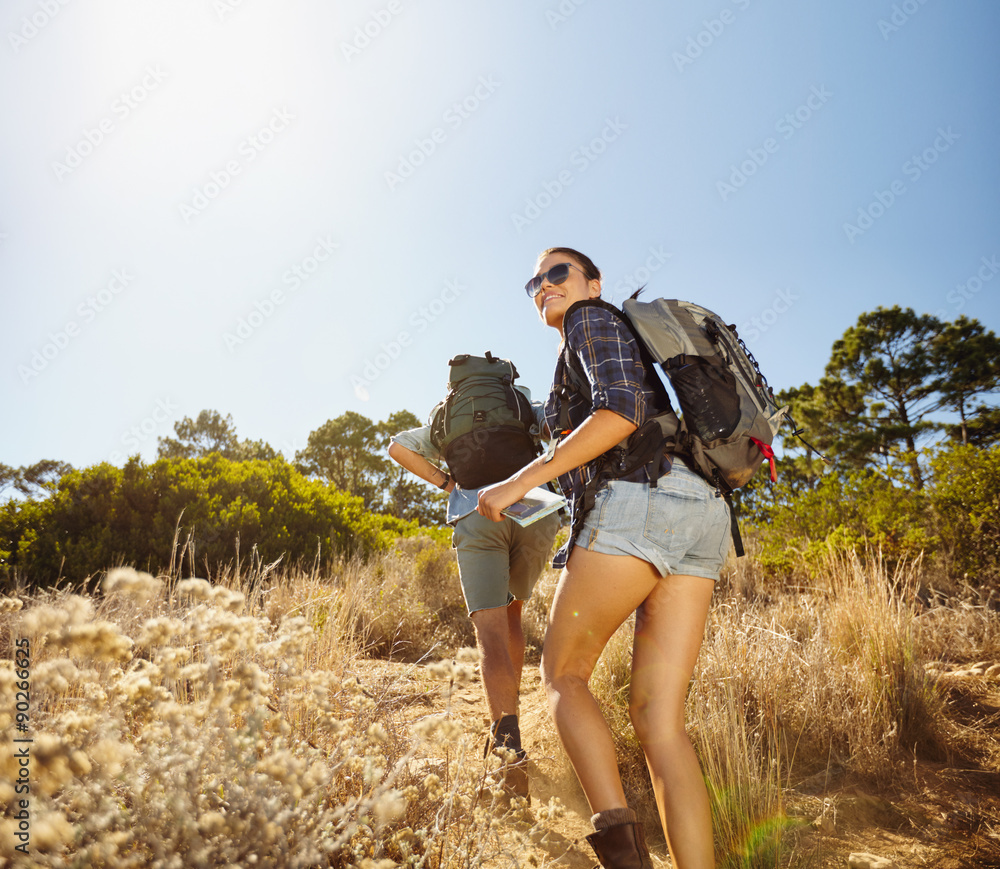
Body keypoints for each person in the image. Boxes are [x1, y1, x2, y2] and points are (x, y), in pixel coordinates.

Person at [477, 248, 731, 869]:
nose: (544, 286)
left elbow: (621, 411)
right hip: (703, 513)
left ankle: (623, 858)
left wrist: (515, 485)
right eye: (533, 281)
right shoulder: (602, 349)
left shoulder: (591, 319)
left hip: (641, 504)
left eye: (557, 273)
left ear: (593, 282)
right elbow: (593, 416)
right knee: (660, 722)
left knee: (563, 674)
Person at [387, 376, 560, 800]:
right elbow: (560, 425)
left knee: (489, 631)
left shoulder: (445, 418)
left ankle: (506, 744)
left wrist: (448, 485)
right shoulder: (519, 404)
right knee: (513, 612)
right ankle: (511, 713)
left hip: (475, 509)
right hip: (535, 508)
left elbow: (396, 447)